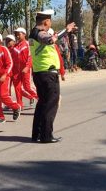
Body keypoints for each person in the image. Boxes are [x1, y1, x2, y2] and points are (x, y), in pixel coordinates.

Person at [30, 9, 75, 143]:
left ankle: (37, 134)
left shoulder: (33, 33)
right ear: (46, 21)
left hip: (39, 73)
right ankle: (46, 136)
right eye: (50, 21)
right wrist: (66, 30)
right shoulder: (40, 33)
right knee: (50, 105)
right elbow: (50, 40)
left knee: (42, 104)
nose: (50, 24)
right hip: (47, 74)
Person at [0, 33, 21, 124]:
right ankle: (0, 116)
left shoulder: (4, 49)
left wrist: (5, 74)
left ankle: (16, 107)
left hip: (4, 77)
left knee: (3, 95)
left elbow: (10, 63)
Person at [11, 28, 38, 109]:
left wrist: (27, 67)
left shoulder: (28, 44)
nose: (17, 36)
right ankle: (19, 104)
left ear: (24, 34)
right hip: (16, 71)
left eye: (19, 34)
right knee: (17, 87)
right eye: (16, 35)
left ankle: (41, 98)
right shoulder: (15, 46)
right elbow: (12, 59)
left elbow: (31, 57)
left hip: (25, 69)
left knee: (27, 87)